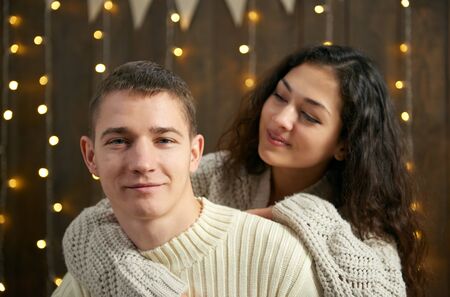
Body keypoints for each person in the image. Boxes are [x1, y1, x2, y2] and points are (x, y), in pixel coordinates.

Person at [60, 45, 426, 297]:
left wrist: (311, 216)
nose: (281, 119)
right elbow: (93, 225)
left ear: (345, 143)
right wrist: (144, 285)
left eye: (310, 116)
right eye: (280, 97)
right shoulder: (215, 172)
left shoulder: (363, 228)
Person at [52, 61, 322, 297]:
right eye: (119, 141)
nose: (142, 163)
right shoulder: (89, 274)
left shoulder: (275, 254)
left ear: (194, 154)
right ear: (90, 157)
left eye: (164, 140)